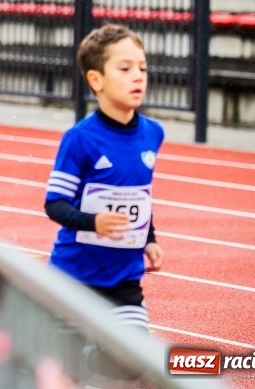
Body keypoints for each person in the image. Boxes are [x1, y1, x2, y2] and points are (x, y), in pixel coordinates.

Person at [43, 23, 165, 379]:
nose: (138, 76)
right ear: (96, 80)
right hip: (74, 278)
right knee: (62, 374)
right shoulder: (80, 139)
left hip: (124, 281)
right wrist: (93, 222)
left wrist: (150, 238)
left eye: (142, 68)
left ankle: (92, 360)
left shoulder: (153, 133)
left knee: (133, 365)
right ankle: (81, 361)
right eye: (124, 68)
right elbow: (54, 203)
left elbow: (139, 194)